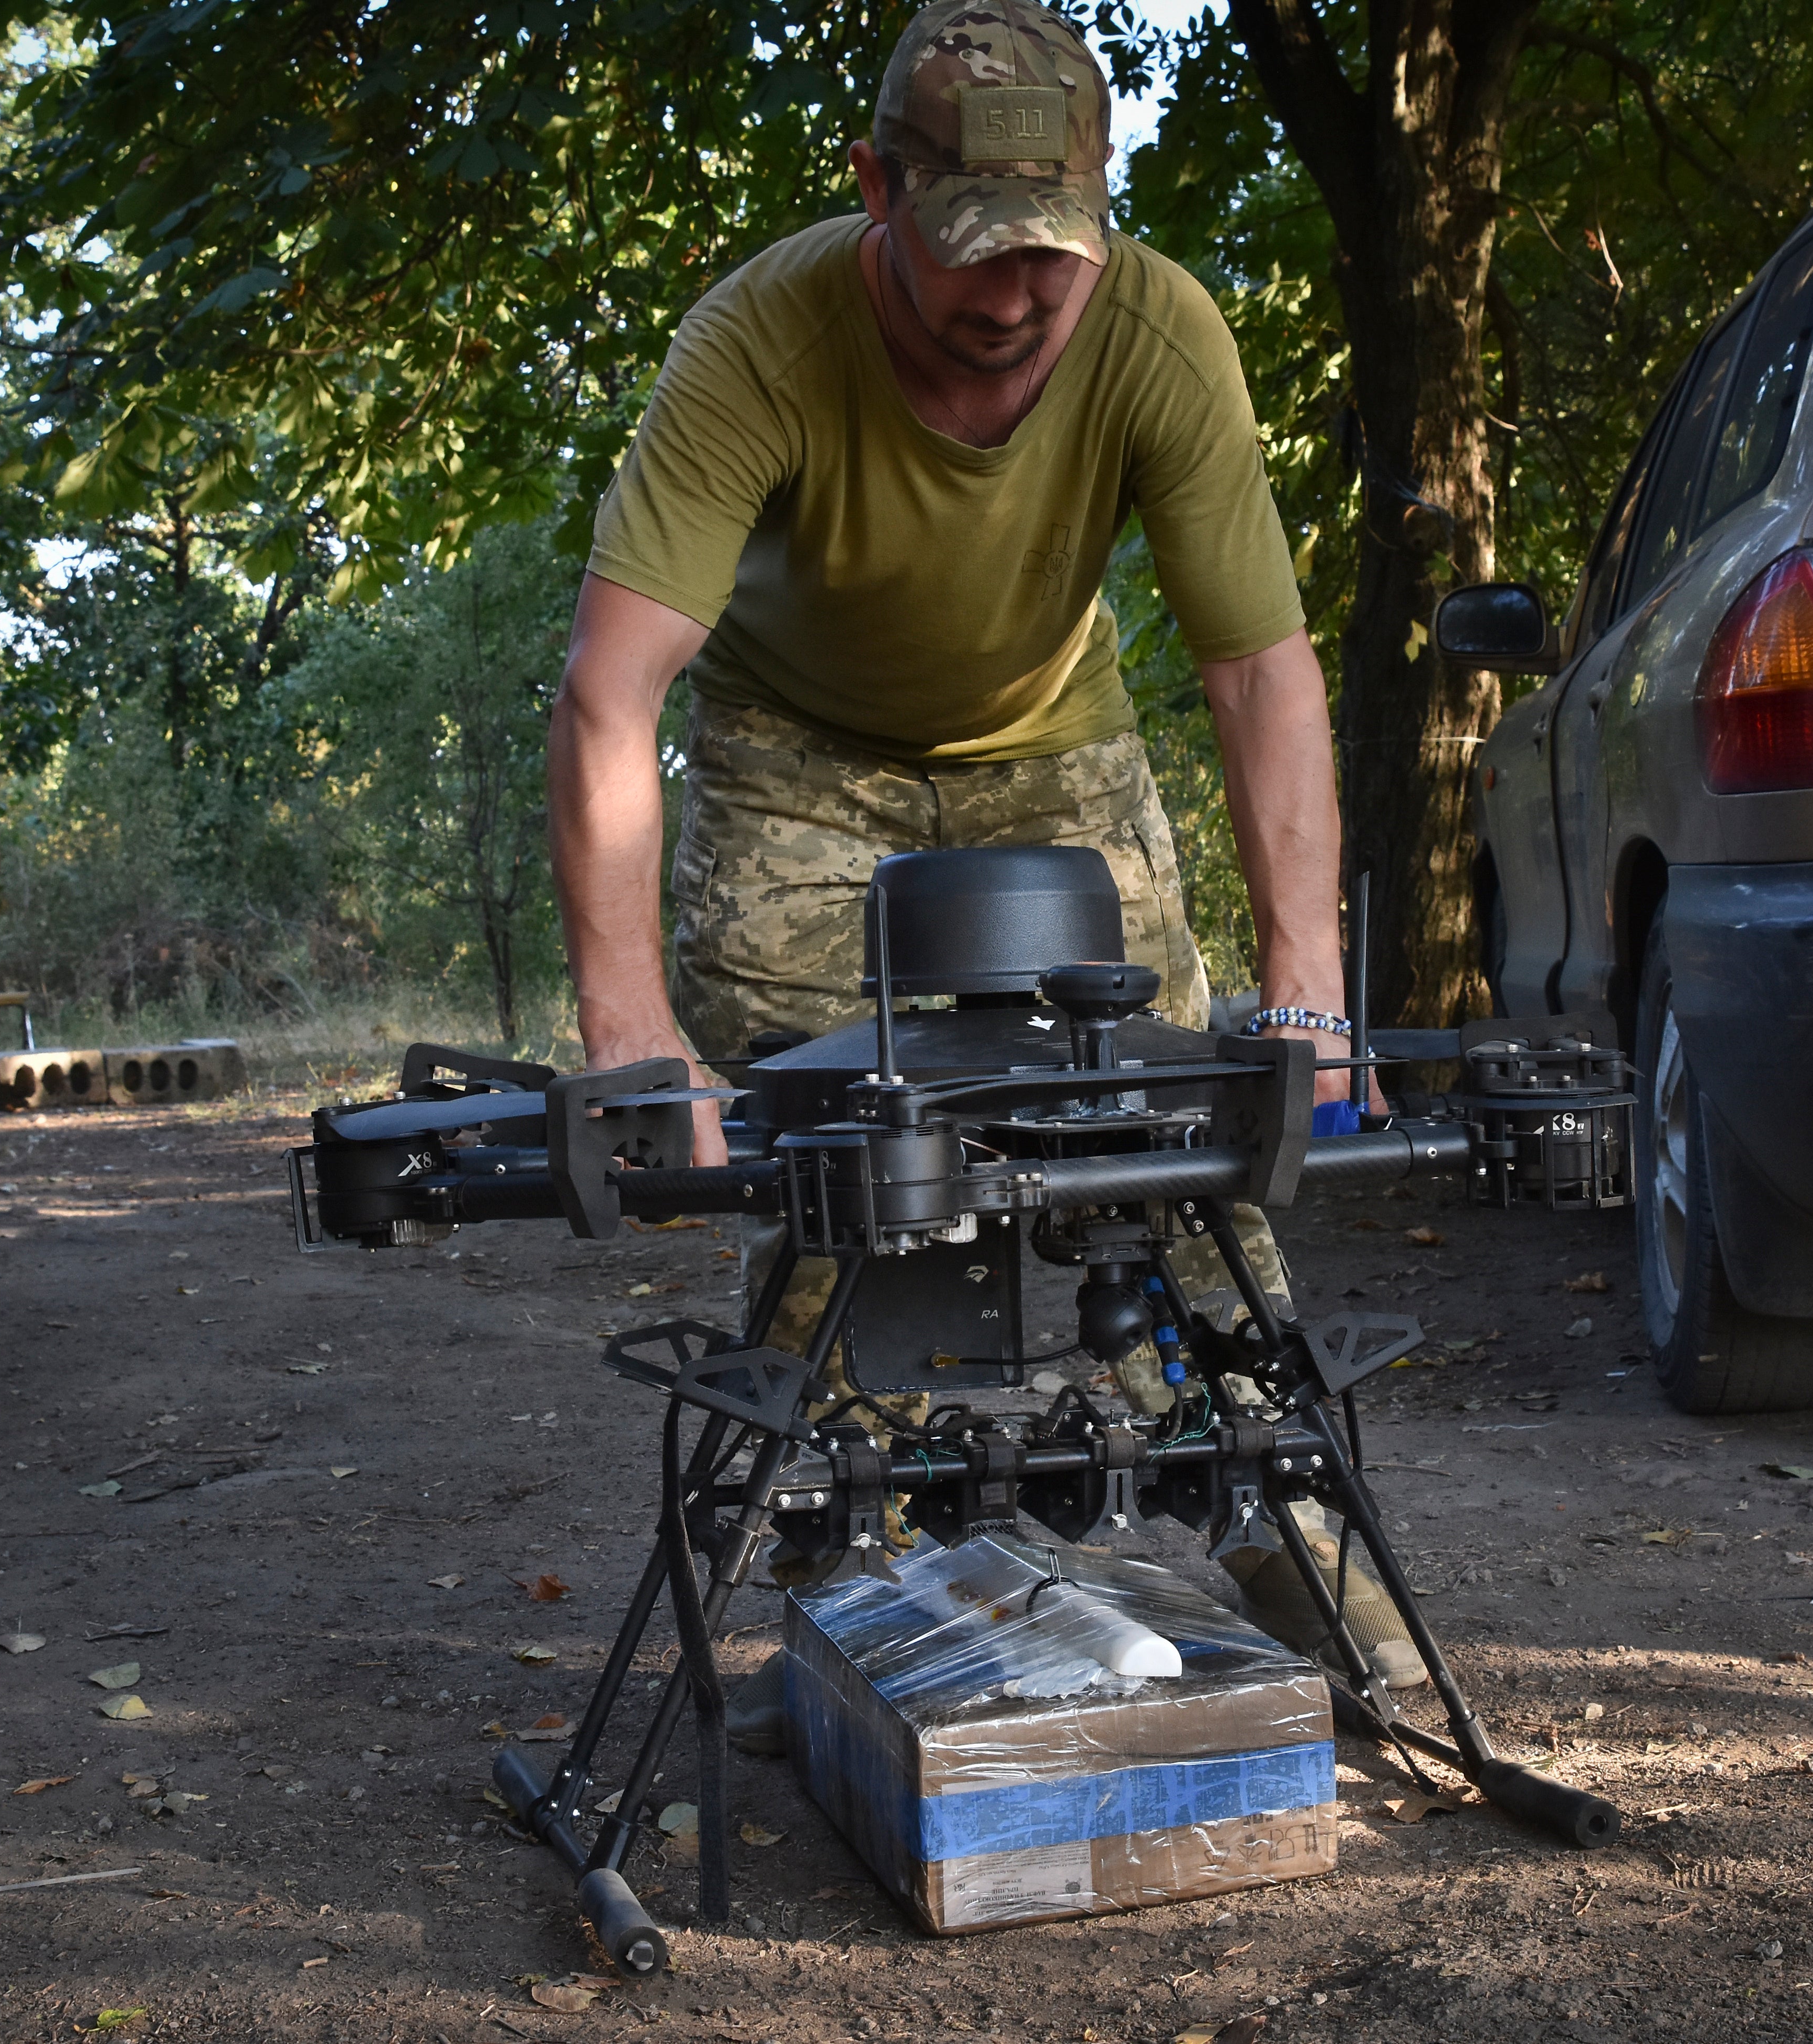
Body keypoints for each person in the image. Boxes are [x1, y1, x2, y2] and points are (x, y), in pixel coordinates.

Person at [546, 0, 1423, 1750]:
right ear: (876, 189)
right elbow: (611, 689)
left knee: (1180, 1139)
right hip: (798, 762)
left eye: (1056, 259)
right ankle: (859, 1582)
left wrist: (1306, 1001)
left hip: (1055, 748)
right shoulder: (759, 344)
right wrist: (634, 1036)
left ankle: (1293, 1544)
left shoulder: (1162, 332)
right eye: (972, 258)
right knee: (851, 1152)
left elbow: (1261, 675)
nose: (1018, 301)